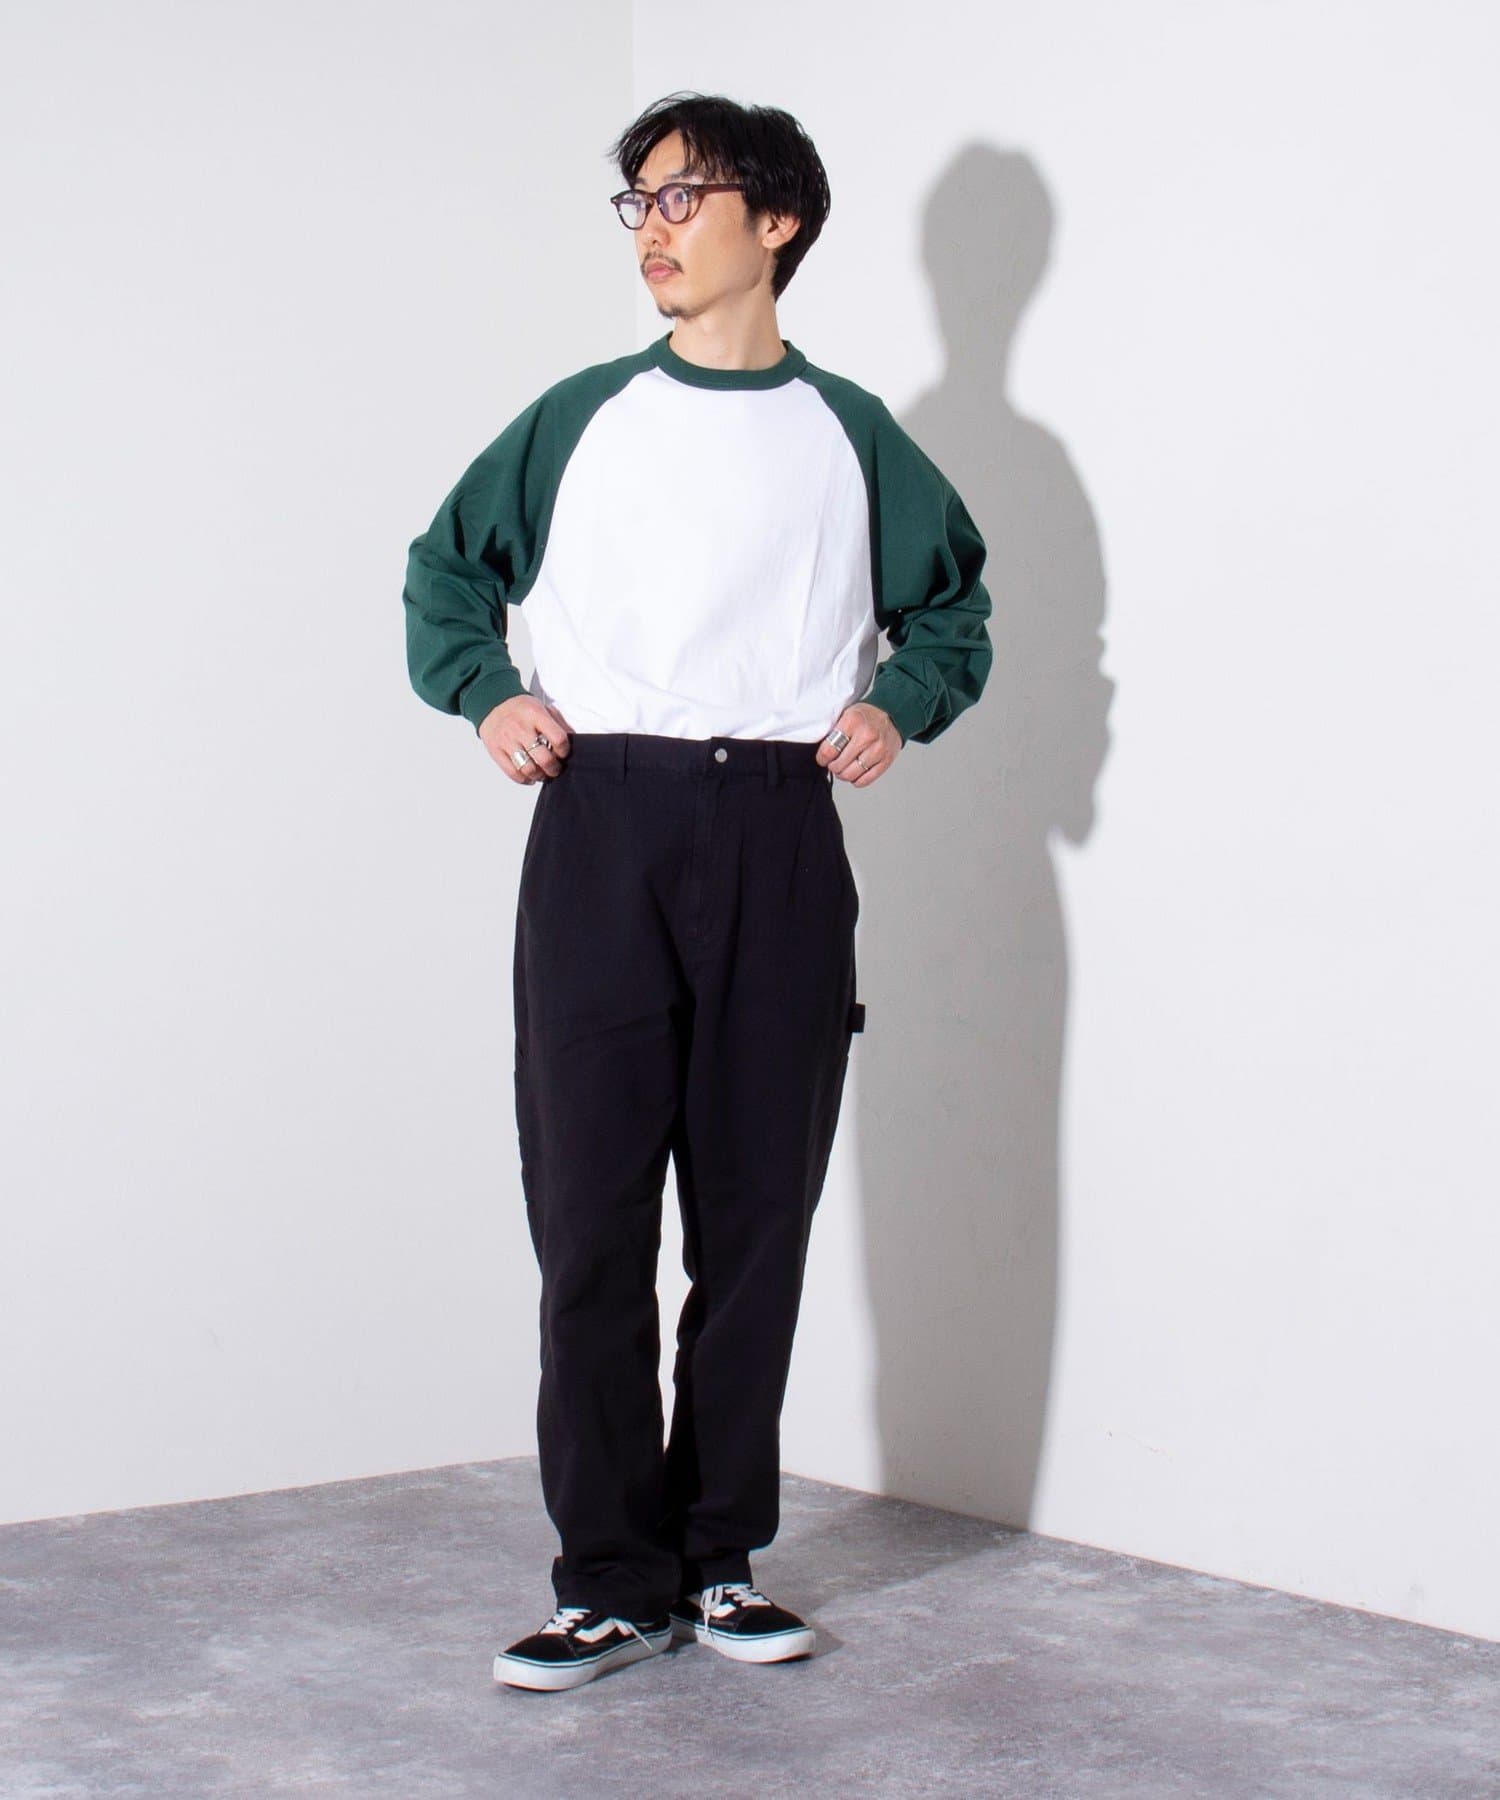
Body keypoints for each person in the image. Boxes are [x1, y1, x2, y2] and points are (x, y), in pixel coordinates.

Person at [402, 91, 993, 1694]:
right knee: (590, 1218)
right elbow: (447, 568)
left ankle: (720, 1559)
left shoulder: (850, 434)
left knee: (755, 1218)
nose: (653, 229)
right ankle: (609, 1579)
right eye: (639, 204)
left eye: (683, 197)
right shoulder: (580, 417)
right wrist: (485, 691)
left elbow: (953, 608)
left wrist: (898, 704)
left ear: (775, 221)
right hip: (601, 823)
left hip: (779, 831)